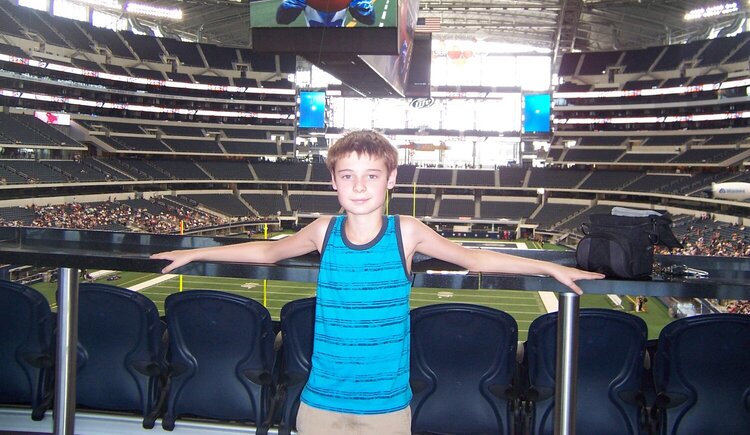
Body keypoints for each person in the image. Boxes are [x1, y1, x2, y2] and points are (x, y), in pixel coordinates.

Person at [151, 130, 604, 435]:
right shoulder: (322, 230)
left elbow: (472, 257)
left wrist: (548, 267)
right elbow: (267, 251)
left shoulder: (406, 231)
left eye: (372, 175)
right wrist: (196, 251)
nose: (360, 185)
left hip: (386, 407)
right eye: (348, 176)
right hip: (320, 402)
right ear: (333, 182)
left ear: (391, 179)